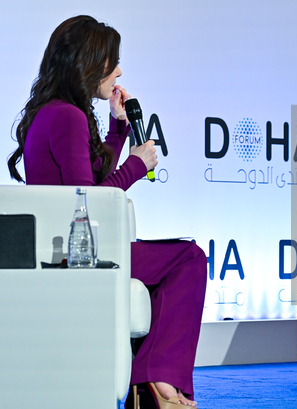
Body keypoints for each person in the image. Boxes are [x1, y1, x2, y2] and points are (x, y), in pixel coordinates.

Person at [7, 15, 207, 408]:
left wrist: (118, 131)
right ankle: (156, 381)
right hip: (81, 255)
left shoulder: (53, 111)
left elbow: (85, 179)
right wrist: (136, 165)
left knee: (180, 259)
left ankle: (153, 379)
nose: (118, 71)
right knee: (190, 257)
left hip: (68, 248)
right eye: (111, 61)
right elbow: (92, 200)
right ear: (88, 62)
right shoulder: (67, 115)